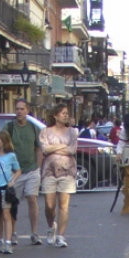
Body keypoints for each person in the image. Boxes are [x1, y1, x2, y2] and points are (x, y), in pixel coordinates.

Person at [3, 99, 43, 246]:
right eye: (17, 109)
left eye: (22, 109)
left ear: (27, 111)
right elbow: (2, 148)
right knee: (13, 202)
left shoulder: (33, 128)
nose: (19, 111)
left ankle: (34, 233)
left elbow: (39, 149)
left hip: (32, 170)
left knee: (32, 199)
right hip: (15, 172)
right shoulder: (9, 127)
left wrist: (38, 168)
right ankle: (13, 233)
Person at [40, 104, 78, 248]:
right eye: (62, 113)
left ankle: (61, 236)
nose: (65, 115)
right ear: (55, 115)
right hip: (49, 171)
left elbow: (72, 150)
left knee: (63, 205)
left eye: (67, 113)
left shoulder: (72, 132)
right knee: (50, 205)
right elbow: (45, 149)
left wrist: (54, 149)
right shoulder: (45, 131)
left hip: (67, 171)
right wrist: (62, 147)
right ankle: (51, 227)